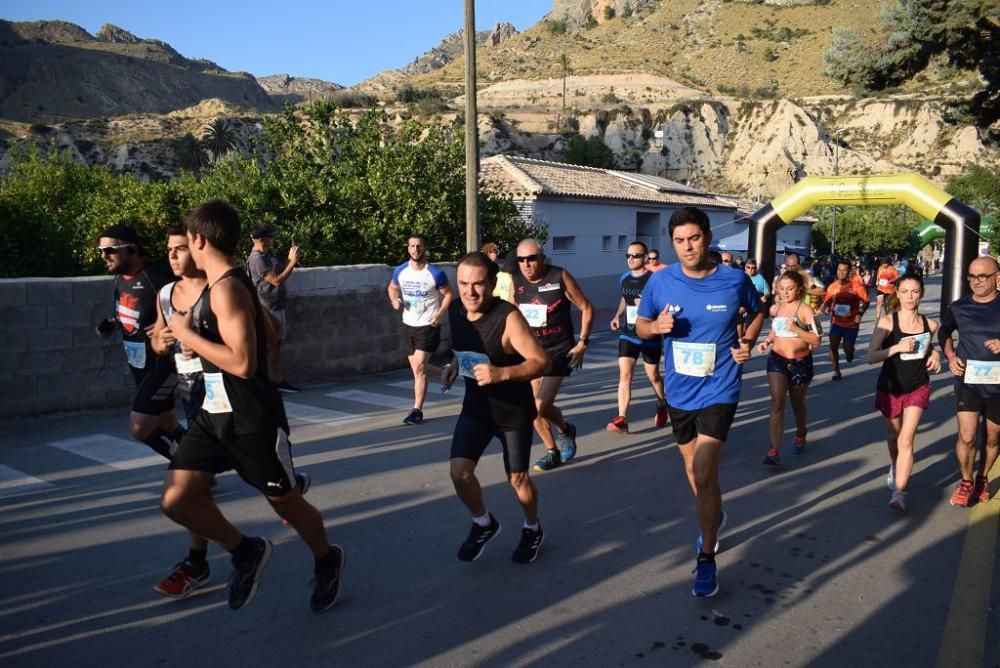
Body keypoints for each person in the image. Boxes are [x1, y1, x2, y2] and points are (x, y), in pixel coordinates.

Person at [160, 200, 344, 613]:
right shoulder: (218, 286)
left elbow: (243, 363)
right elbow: (270, 330)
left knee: (287, 504)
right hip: (214, 413)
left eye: (185, 241)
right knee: (176, 500)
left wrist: (188, 336)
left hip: (251, 418)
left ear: (200, 239)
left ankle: (325, 558)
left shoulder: (226, 287)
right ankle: (245, 551)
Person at [635, 206, 764, 598]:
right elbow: (640, 324)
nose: (687, 247)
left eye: (693, 238)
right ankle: (714, 513)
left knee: (705, 472)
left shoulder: (733, 280)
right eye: (679, 241)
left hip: (720, 387)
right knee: (694, 472)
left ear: (707, 237)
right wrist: (655, 327)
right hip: (679, 391)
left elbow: (758, 311)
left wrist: (747, 341)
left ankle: (706, 557)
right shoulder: (661, 282)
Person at [431, 252, 550, 563]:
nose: (470, 292)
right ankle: (483, 523)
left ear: (493, 284)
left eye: (478, 284)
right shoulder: (456, 311)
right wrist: (454, 366)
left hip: (513, 412)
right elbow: (467, 351)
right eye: (463, 284)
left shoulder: (508, 318)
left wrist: (503, 373)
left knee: (518, 480)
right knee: (460, 473)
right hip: (477, 407)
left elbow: (541, 361)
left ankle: (532, 527)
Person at [146, 224, 213, 598]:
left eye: (179, 249)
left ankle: (284, 483)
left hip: (225, 391)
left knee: (275, 485)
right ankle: (196, 562)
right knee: (190, 486)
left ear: (198, 249)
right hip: (191, 392)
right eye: (168, 249)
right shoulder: (167, 293)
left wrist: (195, 339)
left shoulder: (219, 289)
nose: (171, 256)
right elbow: (156, 337)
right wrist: (164, 340)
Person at [95, 224, 185, 460]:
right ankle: (203, 467)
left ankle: (192, 468)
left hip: (164, 364)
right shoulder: (120, 279)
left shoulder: (158, 279)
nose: (104, 256)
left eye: (110, 250)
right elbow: (129, 313)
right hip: (139, 365)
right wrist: (112, 324)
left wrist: (167, 330)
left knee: (140, 426)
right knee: (166, 422)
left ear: (133, 249)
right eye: (101, 251)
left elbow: (188, 312)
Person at [512, 239, 593, 472]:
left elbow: (586, 307)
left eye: (532, 259)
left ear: (542, 257)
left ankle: (563, 434)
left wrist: (583, 342)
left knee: (538, 406)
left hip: (559, 350)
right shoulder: (516, 281)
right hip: (530, 352)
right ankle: (556, 446)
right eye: (521, 260)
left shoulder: (559, 276)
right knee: (533, 408)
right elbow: (510, 315)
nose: (526, 264)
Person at [868, 273, 941, 511]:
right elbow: (871, 356)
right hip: (890, 387)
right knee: (894, 437)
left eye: (915, 291)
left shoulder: (930, 325)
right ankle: (895, 463)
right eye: (905, 291)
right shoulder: (888, 322)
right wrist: (897, 347)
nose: (910, 296)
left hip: (917, 386)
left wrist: (935, 354)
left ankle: (899, 493)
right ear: (897, 294)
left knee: (906, 439)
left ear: (921, 293)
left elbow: (927, 348)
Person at [938, 256, 1000, 507]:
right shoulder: (960, 306)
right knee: (967, 436)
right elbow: (944, 331)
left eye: (982, 276)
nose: (975, 281)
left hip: (998, 384)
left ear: (997, 276)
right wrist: (951, 356)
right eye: (971, 277)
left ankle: (982, 478)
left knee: (994, 437)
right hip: (968, 380)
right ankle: (966, 482)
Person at [387, 234, 454, 425]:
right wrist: (394, 299)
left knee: (420, 368)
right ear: (408, 248)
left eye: (419, 246)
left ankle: (417, 411)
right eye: (412, 246)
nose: (416, 249)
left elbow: (449, 294)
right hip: (409, 324)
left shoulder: (434, 273)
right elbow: (392, 288)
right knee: (417, 368)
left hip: (428, 324)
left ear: (425, 248)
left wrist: (440, 314)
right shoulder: (400, 271)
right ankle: (444, 374)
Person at [758, 271, 821, 466]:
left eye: (790, 288)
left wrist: (797, 329)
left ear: (799, 289)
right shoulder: (776, 308)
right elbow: (775, 328)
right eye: (782, 288)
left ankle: (801, 432)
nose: (785, 292)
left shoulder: (806, 311)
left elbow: (817, 340)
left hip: (800, 362)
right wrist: (767, 341)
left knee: (797, 404)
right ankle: (774, 449)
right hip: (777, 359)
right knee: (777, 402)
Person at [607, 242, 668, 434]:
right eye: (628, 256)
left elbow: (665, 304)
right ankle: (622, 419)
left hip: (649, 333)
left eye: (635, 256)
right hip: (629, 333)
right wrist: (617, 315)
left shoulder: (654, 280)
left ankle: (661, 404)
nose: (631, 259)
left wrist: (648, 304)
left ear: (644, 259)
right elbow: (624, 299)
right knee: (625, 375)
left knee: (653, 376)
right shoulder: (624, 278)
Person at [246, 224, 300, 393]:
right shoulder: (257, 259)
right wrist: (292, 262)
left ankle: (277, 380)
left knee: (276, 344)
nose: (273, 239)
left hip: (277, 305)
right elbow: (276, 280)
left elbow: (280, 273)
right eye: (271, 236)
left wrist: (288, 261)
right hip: (267, 308)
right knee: (267, 345)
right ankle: (262, 383)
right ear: (262, 239)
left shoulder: (268, 255)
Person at [822, 261, 869, 381]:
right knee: (833, 346)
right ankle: (836, 371)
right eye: (839, 270)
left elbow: (866, 301)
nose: (841, 272)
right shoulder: (832, 287)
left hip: (851, 323)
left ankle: (850, 353)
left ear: (848, 272)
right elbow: (827, 302)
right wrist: (826, 308)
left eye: (844, 270)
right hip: (836, 322)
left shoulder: (857, 286)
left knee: (847, 348)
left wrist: (860, 312)